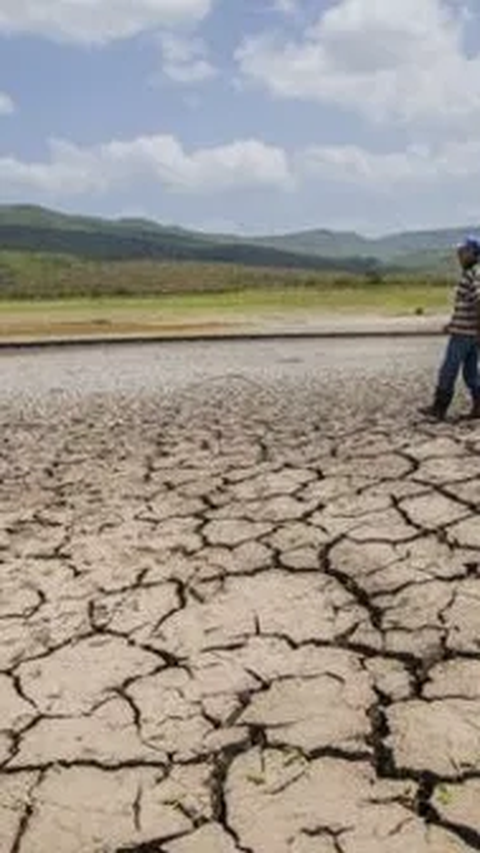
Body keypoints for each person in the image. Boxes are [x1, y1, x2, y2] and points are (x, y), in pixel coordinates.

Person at [421, 236, 480, 421]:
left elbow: (479, 300)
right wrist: (453, 324)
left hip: (464, 334)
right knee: (471, 373)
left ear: (473, 253)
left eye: (463, 251)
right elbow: (468, 304)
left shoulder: (473, 273)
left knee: (448, 369)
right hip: (469, 332)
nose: (459, 255)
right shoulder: (473, 272)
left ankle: (439, 408)